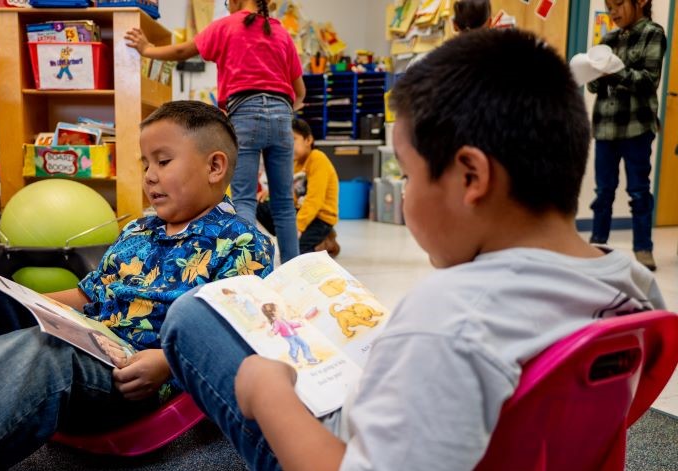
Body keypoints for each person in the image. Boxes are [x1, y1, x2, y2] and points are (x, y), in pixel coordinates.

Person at [160, 29, 665, 470]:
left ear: (471, 177)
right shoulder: (633, 284)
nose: (403, 194)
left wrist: (269, 395)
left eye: (407, 173)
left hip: (334, 445)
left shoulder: (450, 318)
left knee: (193, 317)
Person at [0, 101, 274, 470]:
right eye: (145, 163)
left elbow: (236, 336)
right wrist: (12, 298)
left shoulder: (242, 243)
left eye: (164, 161)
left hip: (129, 373)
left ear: (215, 166)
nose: (150, 175)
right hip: (83, 334)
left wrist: (167, 363)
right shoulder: (139, 229)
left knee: (39, 349)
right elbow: (87, 296)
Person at [125, 0, 305, 263]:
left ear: (234, 1)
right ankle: (293, 270)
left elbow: (181, 51)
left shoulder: (226, 25)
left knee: (244, 199)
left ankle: (245, 268)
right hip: (282, 116)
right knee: (284, 204)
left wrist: (147, 49)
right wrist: (282, 109)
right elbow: (300, 92)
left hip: (245, 112)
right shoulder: (279, 32)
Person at [587, 0, 666, 271]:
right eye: (609, 6)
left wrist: (614, 70)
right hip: (606, 127)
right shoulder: (607, 38)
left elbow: (648, 81)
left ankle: (643, 249)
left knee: (638, 191)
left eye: (618, 3)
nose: (613, 12)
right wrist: (592, 71)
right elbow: (594, 84)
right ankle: (598, 245)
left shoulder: (652, 33)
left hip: (637, 127)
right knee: (603, 192)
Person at [257, 119, 340, 256]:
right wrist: (270, 191)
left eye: (293, 139)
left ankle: (325, 241)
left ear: (308, 140)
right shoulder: (295, 163)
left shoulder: (317, 158)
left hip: (320, 218)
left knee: (297, 253)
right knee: (259, 205)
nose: (288, 145)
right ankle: (311, 238)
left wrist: (298, 227)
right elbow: (288, 190)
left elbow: (314, 200)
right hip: (300, 212)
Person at [261, 302, 319, 366]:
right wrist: (272, 332)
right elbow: (275, 329)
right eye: (279, 310)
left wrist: (299, 324)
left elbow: (291, 324)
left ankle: (310, 359)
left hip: (295, 334)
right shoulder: (276, 322)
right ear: (274, 313)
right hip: (288, 337)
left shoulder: (283, 319)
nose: (281, 311)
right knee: (295, 347)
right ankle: (293, 357)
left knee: (305, 344)